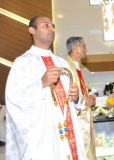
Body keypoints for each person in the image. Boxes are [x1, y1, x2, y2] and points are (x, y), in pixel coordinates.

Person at [5, 16, 87, 160]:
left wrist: (76, 97)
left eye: (53, 26)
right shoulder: (22, 63)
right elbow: (13, 100)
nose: (52, 29)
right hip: (44, 136)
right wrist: (42, 83)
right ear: (32, 30)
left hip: (69, 131)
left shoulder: (63, 63)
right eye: (45, 25)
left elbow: (74, 98)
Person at [65, 36, 96, 160]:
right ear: (74, 48)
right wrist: (84, 102)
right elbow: (67, 94)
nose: (86, 49)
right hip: (76, 120)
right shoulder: (66, 67)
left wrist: (89, 99)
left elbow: (80, 93)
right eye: (84, 46)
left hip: (84, 118)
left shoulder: (77, 67)